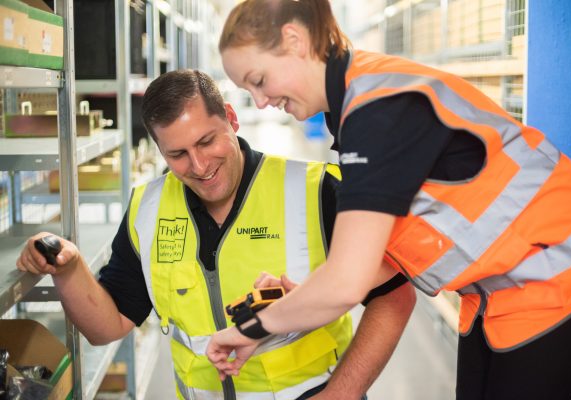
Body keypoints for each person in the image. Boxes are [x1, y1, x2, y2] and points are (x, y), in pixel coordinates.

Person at [207, 1, 571, 399]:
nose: (258, 101)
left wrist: (254, 327)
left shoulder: (378, 110)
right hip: (496, 289)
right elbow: (371, 253)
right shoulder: (350, 106)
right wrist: (306, 298)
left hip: (558, 271)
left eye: (259, 80)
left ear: (293, 41)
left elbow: (347, 283)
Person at [16, 69, 416, 400]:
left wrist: (340, 395)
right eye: (177, 155)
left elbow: (395, 296)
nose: (199, 165)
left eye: (206, 141)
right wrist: (68, 269)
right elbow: (108, 327)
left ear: (230, 117)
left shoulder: (315, 190)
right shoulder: (148, 209)